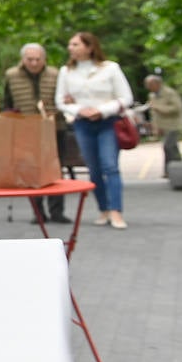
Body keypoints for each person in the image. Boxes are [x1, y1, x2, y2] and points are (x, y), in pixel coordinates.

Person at [55, 31, 134, 230]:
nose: (71, 48)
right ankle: (103, 209)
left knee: (110, 166)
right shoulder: (66, 71)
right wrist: (80, 109)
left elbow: (126, 98)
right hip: (82, 123)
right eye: (70, 44)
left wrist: (101, 110)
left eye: (76, 44)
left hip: (108, 122)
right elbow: (60, 101)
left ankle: (116, 211)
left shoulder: (110, 68)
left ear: (90, 47)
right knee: (94, 169)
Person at [2, 43, 72, 224]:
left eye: (37, 59)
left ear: (44, 59)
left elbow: (65, 98)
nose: (34, 63)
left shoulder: (56, 74)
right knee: (30, 172)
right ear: (23, 59)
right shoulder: (12, 75)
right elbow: (7, 100)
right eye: (29, 59)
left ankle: (57, 211)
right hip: (26, 128)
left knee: (56, 170)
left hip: (54, 128)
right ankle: (38, 212)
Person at [144, 74, 182, 171]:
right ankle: (172, 170)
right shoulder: (152, 95)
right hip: (162, 126)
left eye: (150, 84)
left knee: (168, 146)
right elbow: (154, 114)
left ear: (157, 83)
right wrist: (155, 127)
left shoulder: (169, 93)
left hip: (173, 125)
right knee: (170, 148)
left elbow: (177, 108)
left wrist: (159, 108)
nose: (148, 87)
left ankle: (174, 169)